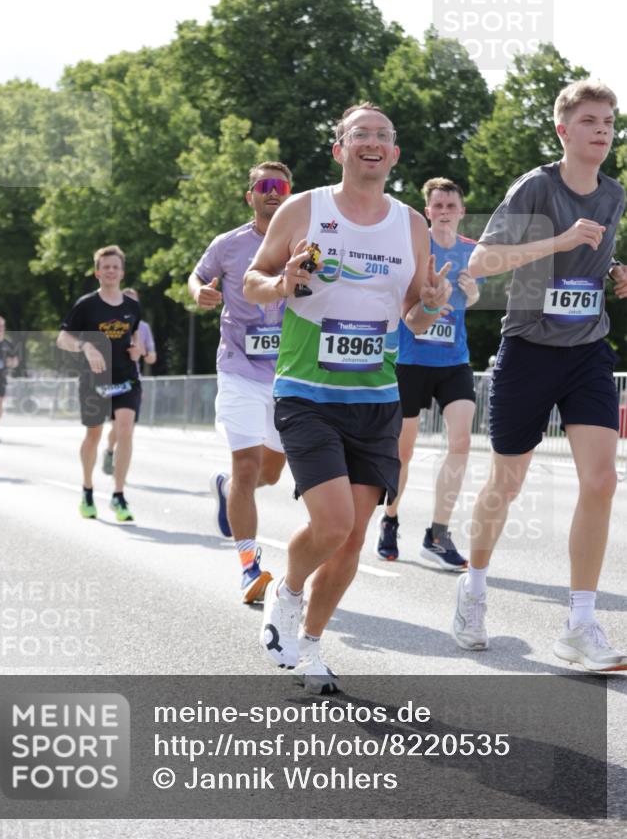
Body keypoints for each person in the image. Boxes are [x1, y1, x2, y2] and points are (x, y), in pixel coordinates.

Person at [244, 103, 452, 693]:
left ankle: (309, 645)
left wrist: (431, 303)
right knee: (332, 524)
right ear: (339, 149)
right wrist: (283, 282)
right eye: (360, 134)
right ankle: (286, 593)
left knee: (355, 537)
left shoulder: (410, 224)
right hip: (307, 391)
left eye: (383, 137)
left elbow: (415, 312)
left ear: (394, 155)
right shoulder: (305, 208)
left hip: (375, 396)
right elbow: (253, 280)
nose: (372, 143)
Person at [451, 79, 627, 672]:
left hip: (586, 351)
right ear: (563, 130)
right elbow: (482, 263)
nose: (602, 130)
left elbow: (588, 262)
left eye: (609, 121)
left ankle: (579, 623)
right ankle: (473, 589)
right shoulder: (536, 186)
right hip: (528, 349)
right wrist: (559, 238)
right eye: (589, 121)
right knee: (507, 483)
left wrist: (615, 272)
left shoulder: (614, 194)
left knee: (601, 481)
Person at [188, 162, 293, 604]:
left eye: (281, 186)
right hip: (239, 369)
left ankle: (227, 490)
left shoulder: (308, 243)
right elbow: (196, 276)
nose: (273, 193)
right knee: (248, 466)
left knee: (269, 473)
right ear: (249, 195)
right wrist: (200, 293)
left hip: (289, 374)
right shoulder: (228, 245)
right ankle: (249, 566)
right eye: (264, 186)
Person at [376, 178, 481, 568]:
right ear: (427, 210)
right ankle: (390, 520)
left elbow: (477, 295)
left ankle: (437, 533)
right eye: (437, 206)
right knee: (403, 451)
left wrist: (473, 295)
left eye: (451, 206)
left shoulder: (473, 252)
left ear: (462, 211)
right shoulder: (416, 248)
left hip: (454, 361)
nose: (444, 212)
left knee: (461, 443)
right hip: (410, 360)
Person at [56, 245, 143, 522]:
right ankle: (87, 490)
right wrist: (86, 347)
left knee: (125, 430)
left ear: (122, 272)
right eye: (106, 266)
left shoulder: (133, 307)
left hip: (126, 379)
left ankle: (118, 495)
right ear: (98, 272)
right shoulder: (86, 305)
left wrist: (137, 349)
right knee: (93, 435)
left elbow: (136, 335)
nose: (111, 271)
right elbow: (63, 339)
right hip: (94, 381)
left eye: (115, 266)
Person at [102, 287, 157, 475]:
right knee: (117, 428)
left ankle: (120, 470)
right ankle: (110, 450)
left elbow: (152, 358)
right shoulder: (111, 322)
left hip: (133, 381)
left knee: (128, 429)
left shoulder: (144, 328)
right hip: (112, 379)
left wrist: (144, 353)